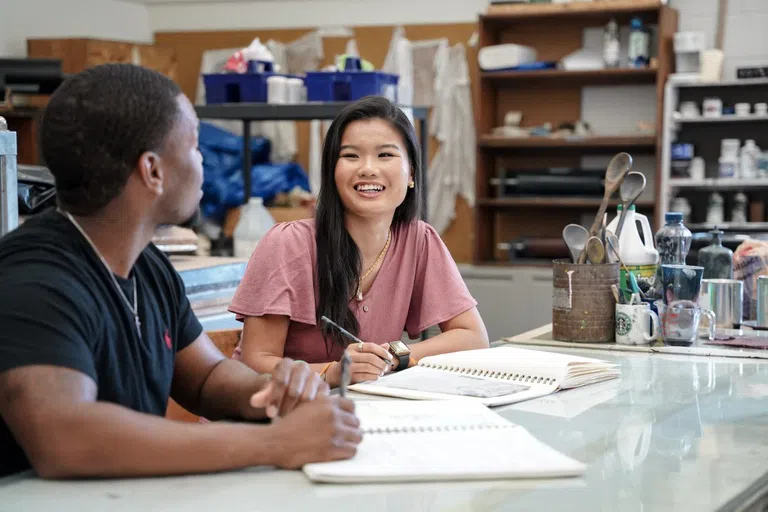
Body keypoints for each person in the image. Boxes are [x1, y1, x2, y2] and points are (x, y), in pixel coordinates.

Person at [0, 64, 361, 480]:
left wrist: (273, 392)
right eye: (193, 145)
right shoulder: (35, 280)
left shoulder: (146, 265)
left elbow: (206, 377)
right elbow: (66, 439)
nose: (203, 160)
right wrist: (276, 443)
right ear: (152, 171)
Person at [230, 96, 489, 388]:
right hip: (266, 416)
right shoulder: (288, 243)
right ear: (332, 172)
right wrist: (331, 373)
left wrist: (391, 357)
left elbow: (473, 336)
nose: (367, 169)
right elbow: (255, 363)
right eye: (351, 156)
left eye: (385, 155)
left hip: (354, 415)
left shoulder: (419, 240)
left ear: (412, 174)